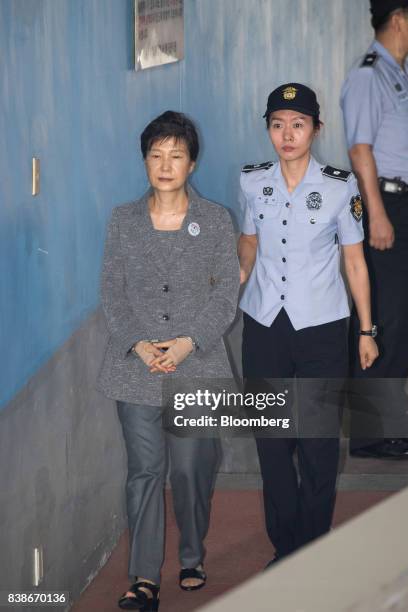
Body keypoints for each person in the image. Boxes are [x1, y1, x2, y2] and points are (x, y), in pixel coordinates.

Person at [97, 111, 239, 610]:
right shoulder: (123, 220)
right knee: (145, 471)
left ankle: (192, 553)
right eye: (156, 154)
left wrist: (185, 343)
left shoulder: (216, 220)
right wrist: (137, 343)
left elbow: (225, 298)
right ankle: (144, 578)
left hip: (196, 365)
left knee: (191, 469)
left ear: (192, 163)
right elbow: (111, 291)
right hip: (135, 368)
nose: (165, 164)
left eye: (175, 155)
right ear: (145, 161)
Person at [238, 83, 378, 565]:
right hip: (263, 325)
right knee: (273, 443)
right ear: (269, 130)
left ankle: (313, 543)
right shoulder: (253, 182)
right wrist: (235, 274)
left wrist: (366, 330)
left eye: (297, 124)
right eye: (277, 124)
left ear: (316, 129)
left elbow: (355, 263)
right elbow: (250, 242)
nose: (287, 134)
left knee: (317, 443)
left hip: (321, 326)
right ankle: (286, 545)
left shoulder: (341, 186)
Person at [340, 0, 408, 459]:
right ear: (400, 18)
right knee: (385, 315)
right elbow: (360, 149)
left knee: (402, 317)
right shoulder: (368, 75)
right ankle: (370, 433)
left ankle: (388, 419)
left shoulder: (397, 72)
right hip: (387, 205)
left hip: (404, 201)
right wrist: (378, 212)